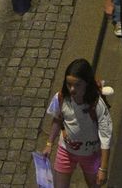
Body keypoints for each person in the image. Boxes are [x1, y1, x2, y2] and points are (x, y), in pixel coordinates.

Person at [42, 58, 112, 187]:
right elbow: (57, 119)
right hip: (66, 151)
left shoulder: (97, 105)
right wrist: (49, 143)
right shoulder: (61, 98)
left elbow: (106, 138)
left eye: (77, 85)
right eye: (69, 85)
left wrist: (103, 168)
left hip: (91, 154)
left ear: (87, 83)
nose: (72, 89)